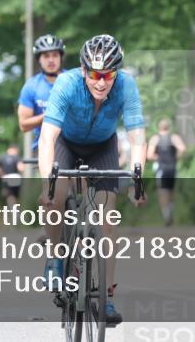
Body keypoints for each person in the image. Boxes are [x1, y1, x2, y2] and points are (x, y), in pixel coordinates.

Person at [37, 34, 146, 326]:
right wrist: (48, 183)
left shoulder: (126, 86)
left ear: (116, 73)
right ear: (84, 70)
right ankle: (56, 257)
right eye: (95, 74)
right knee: (55, 198)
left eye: (108, 75)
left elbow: (137, 137)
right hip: (66, 144)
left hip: (102, 147)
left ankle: (107, 297)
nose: (101, 82)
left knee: (107, 218)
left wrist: (138, 179)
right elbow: (47, 137)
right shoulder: (67, 83)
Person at [18, 34, 65, 157]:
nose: (51, 60)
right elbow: (23, 125)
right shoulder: (31, 86)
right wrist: (48, 116)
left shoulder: (73, 81)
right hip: (45, 143)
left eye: (55, 55)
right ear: (39, 59)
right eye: (46, 56)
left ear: (60, 57)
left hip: (76, 140)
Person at [147, 117, 186, 227]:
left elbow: (149, 155)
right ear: (169, 127)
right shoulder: (174, 137)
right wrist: (175, 157)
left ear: (159, 127)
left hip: (162, 169)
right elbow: (182, 149)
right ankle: (170, 214)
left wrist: (158, 158)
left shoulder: (155, 138)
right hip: (173, 168)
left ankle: (167, 216)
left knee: (162, 193)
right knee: (171, 192)